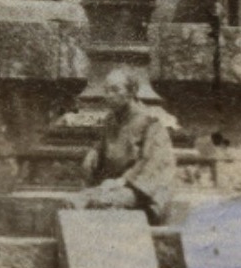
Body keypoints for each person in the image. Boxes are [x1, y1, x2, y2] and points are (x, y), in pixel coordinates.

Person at [77, 67, 181, 225]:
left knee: (99, 203)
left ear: (131, 92)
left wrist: (122, 182)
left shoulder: (151, 122)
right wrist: (94, 153)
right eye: (106, 90)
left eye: (115, 90)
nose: (108, 95)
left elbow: (152, 162)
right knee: (73, 202)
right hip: (114, 187)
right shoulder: (111, 120)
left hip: (142, 191)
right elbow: (104, 149)